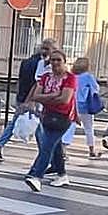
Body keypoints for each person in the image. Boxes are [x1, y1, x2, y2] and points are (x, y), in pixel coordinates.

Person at [0, 38, 53, 161]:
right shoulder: (41, 64)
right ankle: (45, 154)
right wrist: (31, 100)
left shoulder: (27, 62)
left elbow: (21, 80)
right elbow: (37, 84)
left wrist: (22, 96)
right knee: (37, 125)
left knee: (19, 121)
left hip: (24, 96)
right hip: (34, 99)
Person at [24, 49, 77, 191]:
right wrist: (54, 95)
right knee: (55, 145)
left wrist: (45, 98)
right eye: (53, 60)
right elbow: (36, 96)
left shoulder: (70, 78)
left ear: (64, 61)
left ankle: (36, 175)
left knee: (47, 146)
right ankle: (62, 174)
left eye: (59, 60)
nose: (55, 63)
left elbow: (65, 99)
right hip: (47, 115)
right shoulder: (46, 77)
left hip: (63, 117)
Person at [72, 57, 101, 158]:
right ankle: (91, 150)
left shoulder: (72, 76)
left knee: (70, 127)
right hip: (86, 105)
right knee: (89, 128)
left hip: (73, 104)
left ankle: (63, 150)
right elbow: (96, 88)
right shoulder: (88, 76)